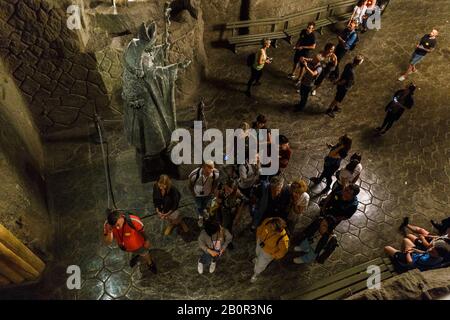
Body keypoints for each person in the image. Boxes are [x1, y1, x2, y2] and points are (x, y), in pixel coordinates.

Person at [294, 184, 360, 265]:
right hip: (325, 214)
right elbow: (330, 197)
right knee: (312, 230)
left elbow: (346, 216)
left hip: (333, 220)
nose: (344, 191)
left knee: (320, 240)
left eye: (347, 192)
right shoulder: (340, 191)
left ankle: (308, 258)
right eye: (345, 189)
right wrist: (323, 208)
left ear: (352, 195)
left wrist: (332, 219)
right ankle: (304, 247)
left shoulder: (353, 205)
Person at [103, 209, 157, 273]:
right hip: (125, 247)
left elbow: (142, 231)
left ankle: (150, 263)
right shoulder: (108, 225)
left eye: (118, 224)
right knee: (135, 252)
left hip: (139, 246)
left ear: (121, 217)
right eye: (115, 226)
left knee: (144, 253)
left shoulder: (133, 220)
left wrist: (146, 240)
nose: (117, 228)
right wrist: (109, 231)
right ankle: (136, 255)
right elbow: (107, 242)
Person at [251, 217, 289, 283]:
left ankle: (256, 274)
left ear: (278, 230)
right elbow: (260, 228)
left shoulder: (283, 239)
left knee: (260, 265)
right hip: (260, 243)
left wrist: (273, 255)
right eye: (271, 226)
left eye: (273, 228)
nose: (270, 228)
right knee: (257, 253)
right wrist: (258, 237)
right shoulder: (268, 221)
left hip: (267, 253)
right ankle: (257, 258)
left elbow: (282, 252)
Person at [214, 179, 247, 248]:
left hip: (228, 213)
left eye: (229, 189)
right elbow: (217, 196)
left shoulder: (237, 194)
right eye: (225, 188)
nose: (226, 191)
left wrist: (237, 216)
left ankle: (225, 242)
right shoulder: (223, 190)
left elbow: (242, 203)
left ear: (234, 188)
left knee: (226, 228)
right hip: (220, 209)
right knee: (220, 225)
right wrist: (217, 198)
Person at [384, 238, 449, 271]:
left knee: (387, 248)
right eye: (432, 248)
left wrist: (408, 253)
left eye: (432, 252)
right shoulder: (440, 257)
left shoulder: (426, 260)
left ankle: (398, 258)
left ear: (438, 255)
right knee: (406, 240)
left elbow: (410, 263)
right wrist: (415, 250)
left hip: (409, 261)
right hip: (415, 255)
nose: (430, 250)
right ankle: (399, 253)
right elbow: (425, 252)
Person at [188, 161, 220, 227]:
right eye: (207, 171)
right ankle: (200, 216)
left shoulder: (215, 173)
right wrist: (194, 194)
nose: (209, 173)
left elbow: (215, 183)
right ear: (203, 167)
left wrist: (212, 191)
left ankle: (204, 210)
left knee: (205, 204)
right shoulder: (194, 174)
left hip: (208, 194)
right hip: (197, 194)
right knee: (199, 206)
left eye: (211, 170)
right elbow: (190, 185)